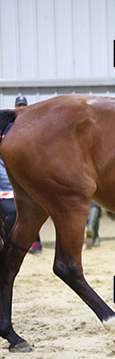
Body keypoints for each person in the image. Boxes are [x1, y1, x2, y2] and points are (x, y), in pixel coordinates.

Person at [0, 96, 43, 253]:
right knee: (13, 211)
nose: (21, 107)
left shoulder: (30, 127)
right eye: (18, 105)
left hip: (23, 177)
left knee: (30, 209)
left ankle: (33, 242)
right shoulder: (7, 126)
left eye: (23, 105)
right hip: (6, 179)